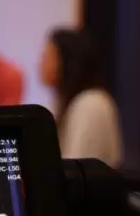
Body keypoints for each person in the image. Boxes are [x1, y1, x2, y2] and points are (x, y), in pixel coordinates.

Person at [38, 28, 123, 167]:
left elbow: (78, 168)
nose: (40, 64)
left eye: (47, 57)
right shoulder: (66, 103)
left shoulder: (91, 103)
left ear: (67, 61)